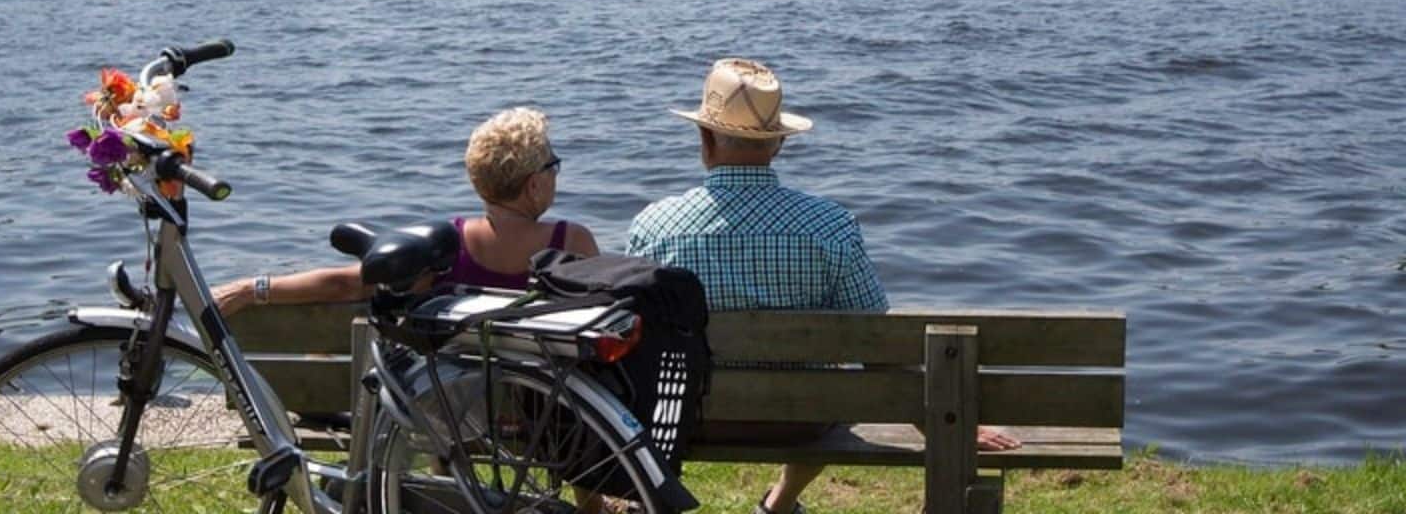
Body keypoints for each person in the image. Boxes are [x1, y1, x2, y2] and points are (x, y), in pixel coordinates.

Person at [626, 59, 1018, 514]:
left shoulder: (654, 228)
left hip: (689, 418)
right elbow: (880, 346)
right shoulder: (831, 227)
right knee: (825, 373)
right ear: (778, 144)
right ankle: (781, 503)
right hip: (801, 420)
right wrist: (945, 425)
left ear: (705, 140)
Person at [213, 107, 597, 316]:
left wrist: (253, 288)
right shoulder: (572, 241)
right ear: (533, 184)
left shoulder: (446, 244)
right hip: (544, 413)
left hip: (454, 413)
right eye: (552, 165)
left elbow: (345, 283)